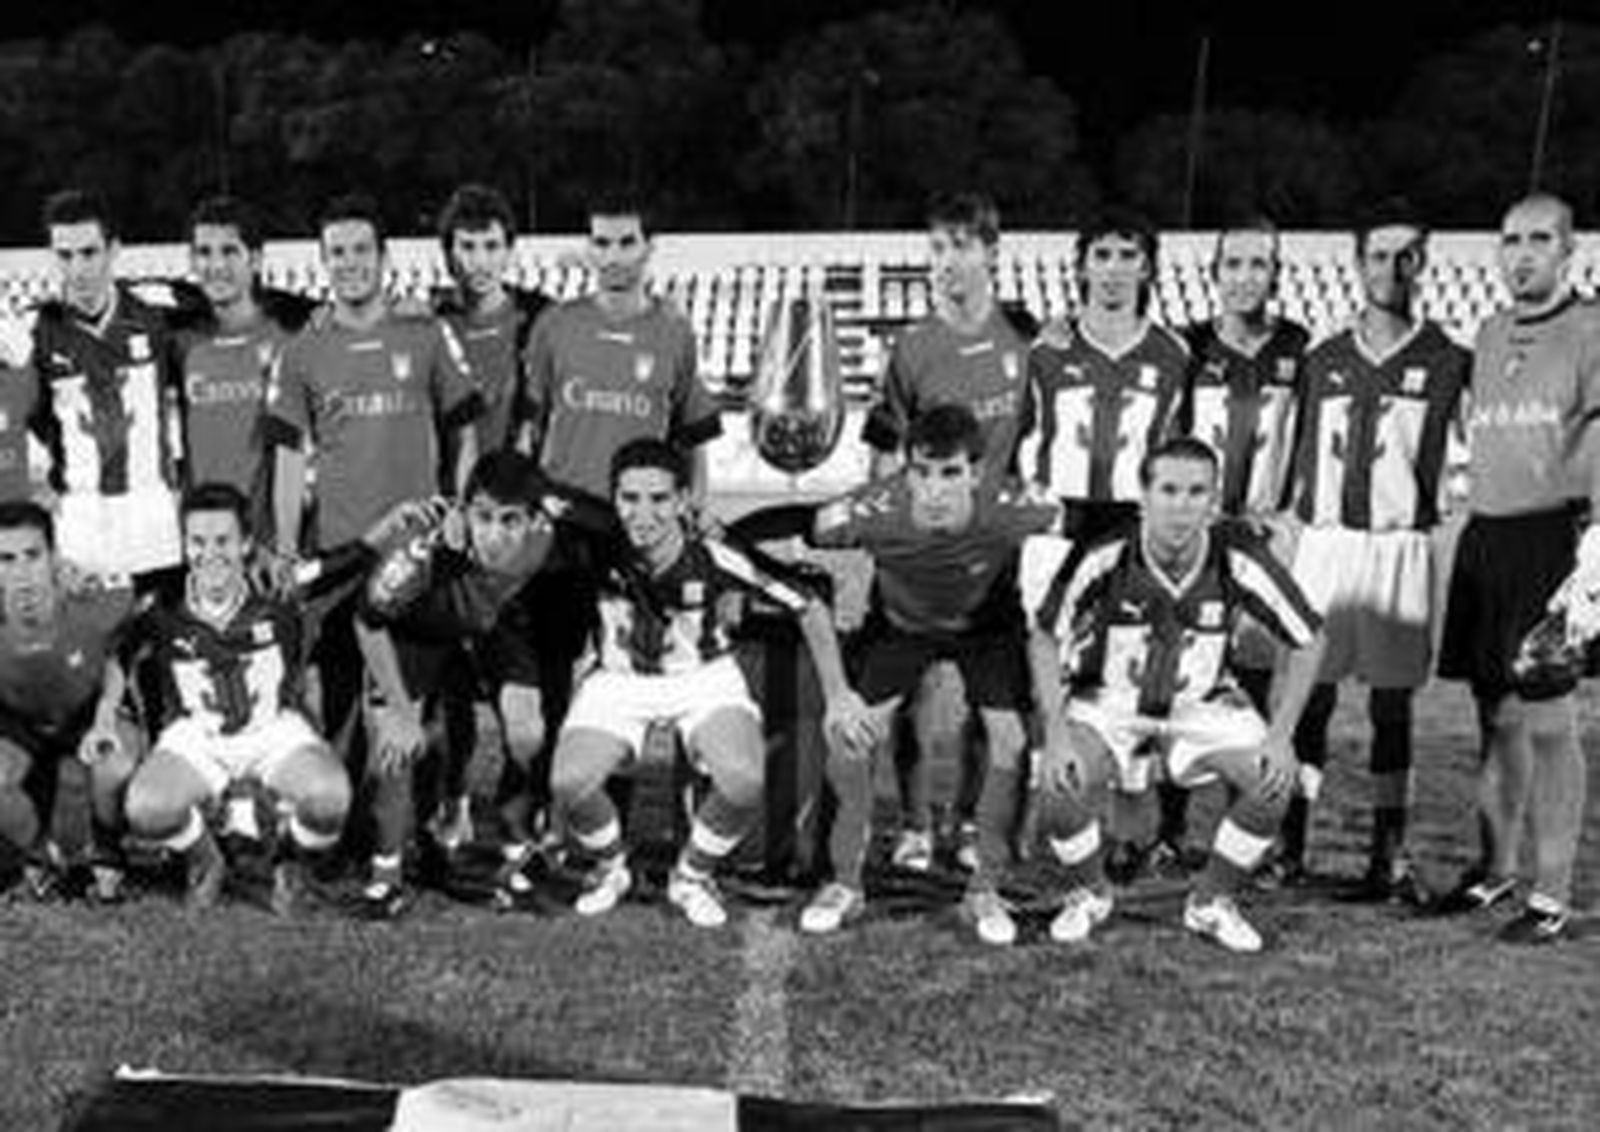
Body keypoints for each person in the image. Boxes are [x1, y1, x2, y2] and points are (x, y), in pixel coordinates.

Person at [1023, 436, 1324, 953]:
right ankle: (1090, 893)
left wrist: (1281, 735)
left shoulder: (1238, 555)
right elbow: (1045, 635)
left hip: (1202, 704)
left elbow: (1310, 637)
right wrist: (1054, 732)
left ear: (1213, 500)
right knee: (1058, 782)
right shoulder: (1105, 552)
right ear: (1143, 495)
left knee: (1275, 782)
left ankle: (1210, 902)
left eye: (1196, 492)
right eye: (1168, 489)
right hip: (1111, 702)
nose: (1181, 505)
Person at [550, 438, 865, 929]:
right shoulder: (596, 533)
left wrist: (840, 694)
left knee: (743, 781)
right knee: (569, 784)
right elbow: (525, 489)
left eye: (658, 499)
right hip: (618, 678)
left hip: (703, 677)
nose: (643, 514)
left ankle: (692, 875)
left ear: (681, 501)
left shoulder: (714, 553)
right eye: (630, 498)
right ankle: (613, 867)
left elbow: (807, 603)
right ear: (614, 499)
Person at [790, 404, 1060, 944]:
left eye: (950, 473)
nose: (933, 489)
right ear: (905, 468)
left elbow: (1092, 522)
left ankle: (985, 888)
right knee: (850, 735)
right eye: (921, 472)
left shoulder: (1013, 505)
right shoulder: (872, 508)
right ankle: (845, 883)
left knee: (1009, 742)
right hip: (901, 627)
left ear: (977, 473)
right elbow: (797, 526)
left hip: (986, 626)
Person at [264, 192, 482, 799]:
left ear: (383, 256)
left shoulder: (425, 334)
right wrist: (285, 546)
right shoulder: (303, 350)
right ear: (323, 261)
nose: (351, 262)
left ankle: (436, 839)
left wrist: (461, 510)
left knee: (425, 700)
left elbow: (465, 432)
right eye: (338, 252)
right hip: (343, 551)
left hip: (419, 553)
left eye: (362, 249)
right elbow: (288, 456)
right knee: (339, 701)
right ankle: (346, 836)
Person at [1283, 202, 1470, 900]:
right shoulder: (1320, 360)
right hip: (1327, 547)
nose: (1389, 269)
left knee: (1394, 709)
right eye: (1376, 256)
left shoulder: (1451, 360)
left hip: (1399, 549)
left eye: (1404, 256)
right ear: (1357, 264)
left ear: (1423, 263)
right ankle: (1291, 846)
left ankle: (1385, 856)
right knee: (1311, 703)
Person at [858, 191, 1040, 876]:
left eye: (962, 246)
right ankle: (912, 824)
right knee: (907, 694)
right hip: (917, 554)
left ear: (992, 252)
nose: (948, 262)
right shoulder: (911, 346)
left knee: (989, 696)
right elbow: (881, 447)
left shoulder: (1024, 337)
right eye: (938, 248)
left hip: (996, 555)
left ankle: (968, 823)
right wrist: (885, 528)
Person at [1434, 193, 1600, 943]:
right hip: (1488, 536)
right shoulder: (1490, 329)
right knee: (1494, 713)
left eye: (1540, 240)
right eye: (1511, 240)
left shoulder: (1592, 328)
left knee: (1549, 716)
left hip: (1553, 539)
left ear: (1570, 253)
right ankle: (1495, 867)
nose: (1523, 253)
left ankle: (1552, 893)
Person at [353, 450, 614, 917]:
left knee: (529, 731)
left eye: (510, 521)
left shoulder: (558, 527)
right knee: (396, 744)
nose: (494, 535)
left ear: (536, 517)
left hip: (494, 624)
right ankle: (386, 873)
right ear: (464, 509)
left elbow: (621, 527)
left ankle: (517, 841)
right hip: (418, 631)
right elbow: (368, 620)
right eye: (484, 517)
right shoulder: (424, 547)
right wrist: (396, 707)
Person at [1019, 204, 1189, 880]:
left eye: (1127, 255)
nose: (1114, 269)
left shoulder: (1172, 351)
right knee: (1050, 666)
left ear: (1147, 267)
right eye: (1103, 255)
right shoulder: (1045, 348)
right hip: (1058, 521)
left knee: (1132, 670)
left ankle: (1128, 825)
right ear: (1081, 265)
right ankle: (1048, 806)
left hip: (1131, 526)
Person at [120, 483, 355, 913]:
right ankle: (207, 861)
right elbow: (118, 653)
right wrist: (104, 715)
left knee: (330, 799)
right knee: (146, 809)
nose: (211, 554)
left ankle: (289, 862)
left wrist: (391, 530)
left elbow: (346, 562)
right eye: (198, 541)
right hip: (198, 736)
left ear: (246, 543)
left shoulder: (279, 591)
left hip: (272, 729)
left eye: (224, 541)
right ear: (184, 544)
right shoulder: (160, 606)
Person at [1160, 217, 1311, 874]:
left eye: (1259, 264)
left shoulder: (1298, 349)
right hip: (1198, 532)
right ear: (1215, 273)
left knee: (1249, 682)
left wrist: (1291, 514)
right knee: (1175, 673)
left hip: (1263, 534)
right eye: (1234, 264)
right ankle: (1164, 831)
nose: (1246, 276)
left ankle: (1248, 830)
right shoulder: (1187, 347)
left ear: (1274, 274)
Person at [425, 184, 553, 862]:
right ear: (448, 252)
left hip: (518, 528)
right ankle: (451, 800)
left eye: (490, 246)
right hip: (453, 527)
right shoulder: (429, 323)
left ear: (510, 249)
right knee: (449, 688)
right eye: (465, 246)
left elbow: (542, 415)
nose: (478, 260)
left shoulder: (540, 323)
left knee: (531, 682)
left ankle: (519, 804)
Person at [27, 189, 185, 578]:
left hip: (153, 516)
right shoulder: (35, 331)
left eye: (89, 252)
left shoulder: (157, 315)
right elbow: (26, 422)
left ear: (114, 250)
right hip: (80, 522)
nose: (78, 269)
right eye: (64, 256)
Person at [0, 500, 142, 901]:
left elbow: (113, 661)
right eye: (5, 560)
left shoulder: (93, 603)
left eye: (32, 556)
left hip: (86, 713)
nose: (22, 574)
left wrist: (104, 717)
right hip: (23, 724)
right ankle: (37, 854)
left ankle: (108, 852)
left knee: (115, 763)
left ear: (54, 557)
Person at [176, 196, 319, 526]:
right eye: (204, 253)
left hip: (274, 536)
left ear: (254, 259)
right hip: (208, 538)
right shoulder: (181, 343)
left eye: (229, 251)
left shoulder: (293, 337)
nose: (216, 266)